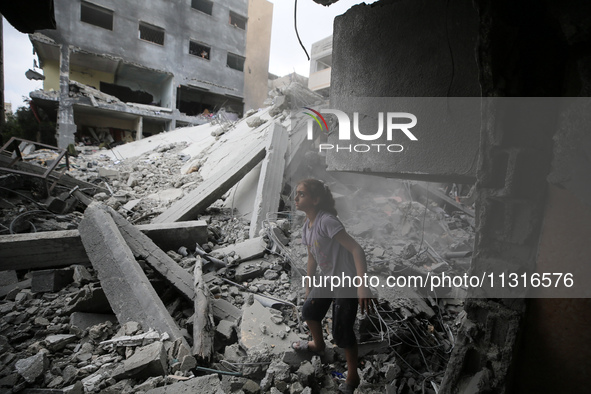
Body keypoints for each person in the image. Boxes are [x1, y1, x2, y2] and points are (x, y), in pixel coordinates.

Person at [292, 178, 374, 394]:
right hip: (329, 278)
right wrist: (308, 285)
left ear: (316, 199)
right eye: (296, 194)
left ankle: (352, 376)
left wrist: (362, 285)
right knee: (309, 310)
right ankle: (318, 345)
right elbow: (311, 257)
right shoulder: (307, 226)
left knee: (341, 332)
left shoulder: (327, 221)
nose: (296, 198)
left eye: (301, 194)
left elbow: (357, 250)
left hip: (346, 281)